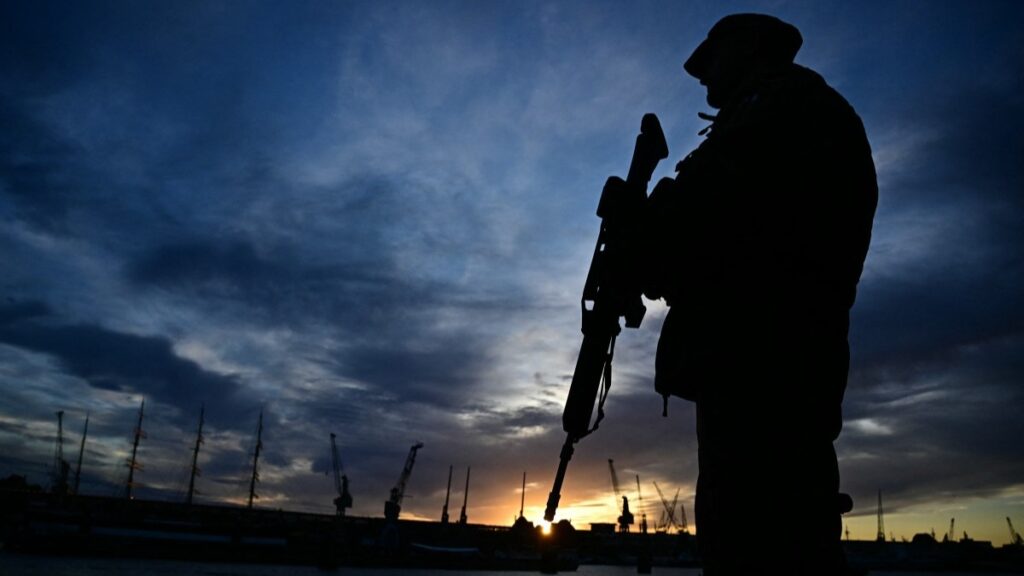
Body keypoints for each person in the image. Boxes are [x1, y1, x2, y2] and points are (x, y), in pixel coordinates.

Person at [643, 13, 878, 575]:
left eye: (711, 59)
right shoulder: (769, 113)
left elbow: (722, 215)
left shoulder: (786, 106)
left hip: (769, 357)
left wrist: (652, 228)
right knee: (750, 526)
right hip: (753, 356)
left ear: (749, 48)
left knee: (764, 535)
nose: (701, 77)